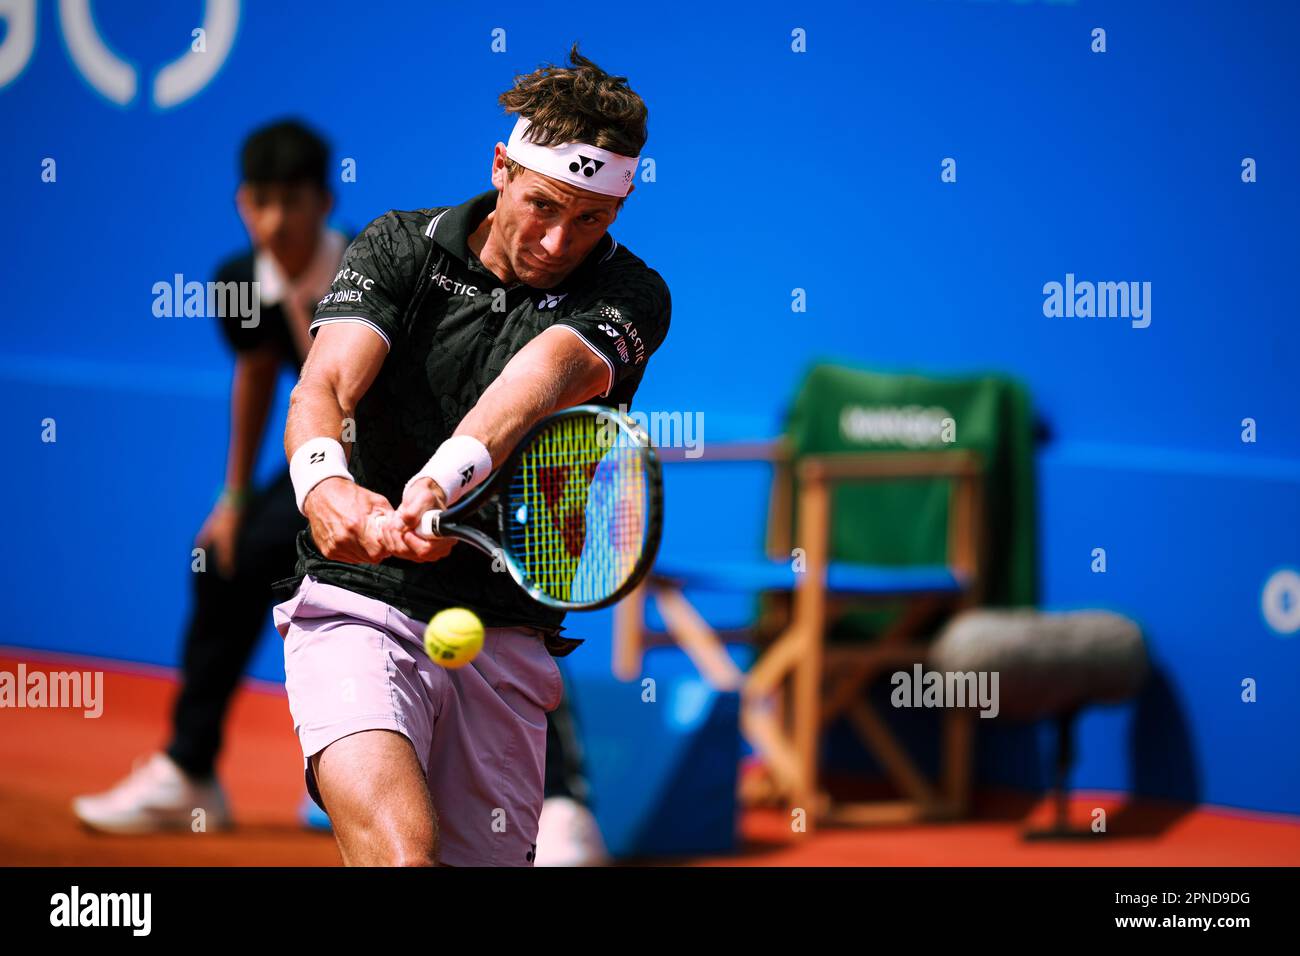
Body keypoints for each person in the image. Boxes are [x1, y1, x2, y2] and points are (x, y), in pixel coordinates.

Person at [273, 43, 670, 866]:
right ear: (501, 166)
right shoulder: (397, 248)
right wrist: (324, 488)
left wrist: (437, 483)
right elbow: (323, 389)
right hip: (360, 602)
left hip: (504, 632)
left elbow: (535, 385)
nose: (561, 240)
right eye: (543, 205)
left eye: (592, 217)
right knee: (401, 855)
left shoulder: (633, 297)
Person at [73, 120, 345, 832]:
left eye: (292, 200)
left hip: (409, 457)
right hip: (324, 462)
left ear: (324, 201)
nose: (276, 220)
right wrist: (231, 497)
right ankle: (192, 772)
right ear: (240, 203)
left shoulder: (367, 268)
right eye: (261, 201)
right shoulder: (239, 281)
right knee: (223, 559)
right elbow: (256, 374)